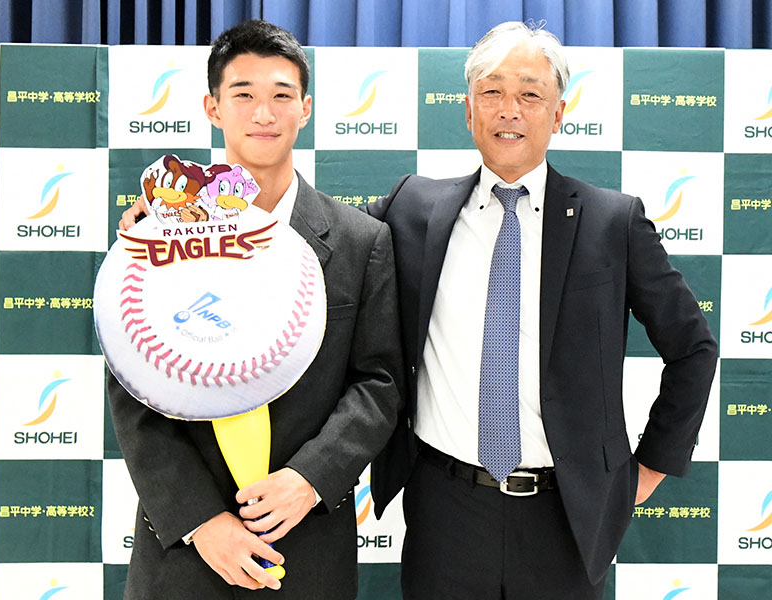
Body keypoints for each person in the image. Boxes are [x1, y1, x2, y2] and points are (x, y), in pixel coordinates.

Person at [368, 21, 717, 600]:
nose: (509, 109)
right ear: (468, 109)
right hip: (444, 511)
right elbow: (325, 245)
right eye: (492, 91)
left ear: (558, 113)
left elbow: (693, 349)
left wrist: (648, 468)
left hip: (567, 519)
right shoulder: (412, 208)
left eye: (530, 94)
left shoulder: (613, 222)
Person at [111, 19, 403, 599]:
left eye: (281, 96)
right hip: (185, 553)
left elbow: (380, 383)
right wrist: (202, 521)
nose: (263, 113)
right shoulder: (157, 233)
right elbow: (131, 389)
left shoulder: (361, 240)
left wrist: (308, 478)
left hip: (306, 540)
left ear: (306, 109)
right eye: (243, 94)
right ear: (213, 108)